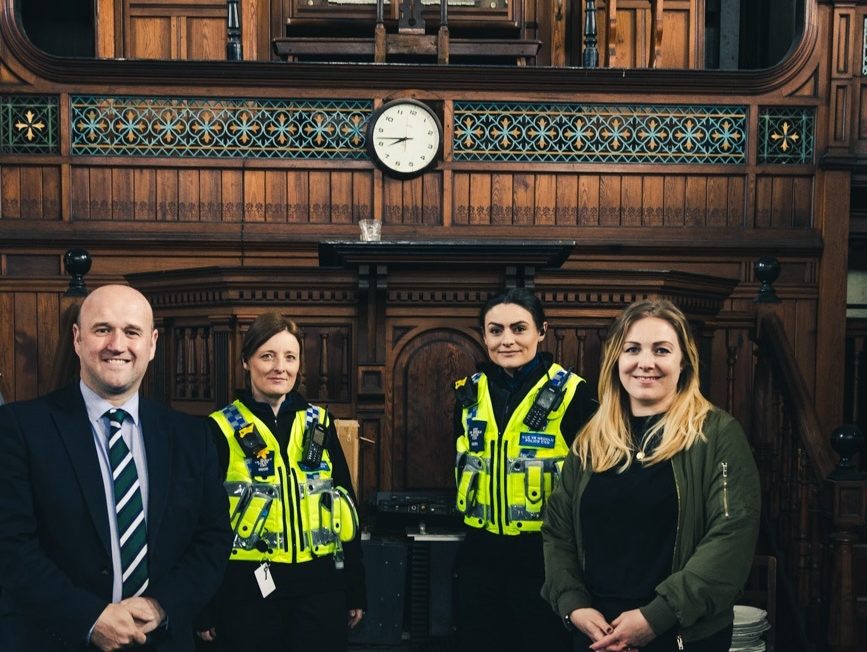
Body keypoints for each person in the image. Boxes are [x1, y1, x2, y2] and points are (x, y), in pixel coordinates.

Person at [0, 284, 232, 651]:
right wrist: (89, 618)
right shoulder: (19, 428)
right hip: (55, 638)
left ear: (152, 343)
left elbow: (213, 541)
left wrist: (161, 605)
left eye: (132, 331)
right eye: (102, 329)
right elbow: (11, 547)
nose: (117, 344)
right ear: (77, 338)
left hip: (162, 639)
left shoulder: (191, 436)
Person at [542, 299, 761, 652]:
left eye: (661, 350)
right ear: (616, 360)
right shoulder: (591, 438)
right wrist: (573, 605)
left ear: (683, 361)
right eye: (632, 350)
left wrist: (656, 616)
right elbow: (558, 530)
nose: (646, 363)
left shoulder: (717, 434)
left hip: (679, 634)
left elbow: (731, 536)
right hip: (595, 635)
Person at [197, 312, 365, 652]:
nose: (280, 367)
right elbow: (202, 524)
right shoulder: (218, 428)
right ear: (246, 361)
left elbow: (346, 509)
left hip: (321, 587)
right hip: (248, 591)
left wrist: (355, 589)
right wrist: (204, 606)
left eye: (290, 357)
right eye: (267, 356)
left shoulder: (319, 423)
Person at [452, 287, 596, 651]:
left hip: (544, 557)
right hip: (479, 555)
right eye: (495, 330)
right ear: (483, 336)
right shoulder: (468, 394)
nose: (507, 340)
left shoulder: (573, 394)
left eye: (519, 328)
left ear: (541, 332)